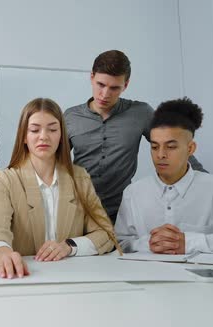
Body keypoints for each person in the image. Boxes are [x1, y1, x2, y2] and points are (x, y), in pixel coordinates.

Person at [0, 98, 121, 279]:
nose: (43, 136)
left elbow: (106, 234)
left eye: (53, 129)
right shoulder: (6, 179)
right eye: (34, 130)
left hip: (72, 278)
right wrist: (3, 253)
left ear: (62, 135)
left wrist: (69, 246)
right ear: (24, 136)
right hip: (24, 278)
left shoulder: (79, 178)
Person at [114, 97, 213, 254]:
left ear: (190, 149)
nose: (161, 155)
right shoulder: (133, 193)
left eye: (171, 147)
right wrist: (150, 244)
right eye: (155, 147)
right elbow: (120, 243)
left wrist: (191, 242)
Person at [64, 50, 205, 223]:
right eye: (101, 84)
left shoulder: (140, 113)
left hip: (122, 213)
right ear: (91, 77)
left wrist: (211, 183)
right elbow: (51, 163)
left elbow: (175, 143)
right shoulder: (70, 117)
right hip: (77, 211)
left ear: (126, 85)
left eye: (114, 87)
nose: (105, 94)